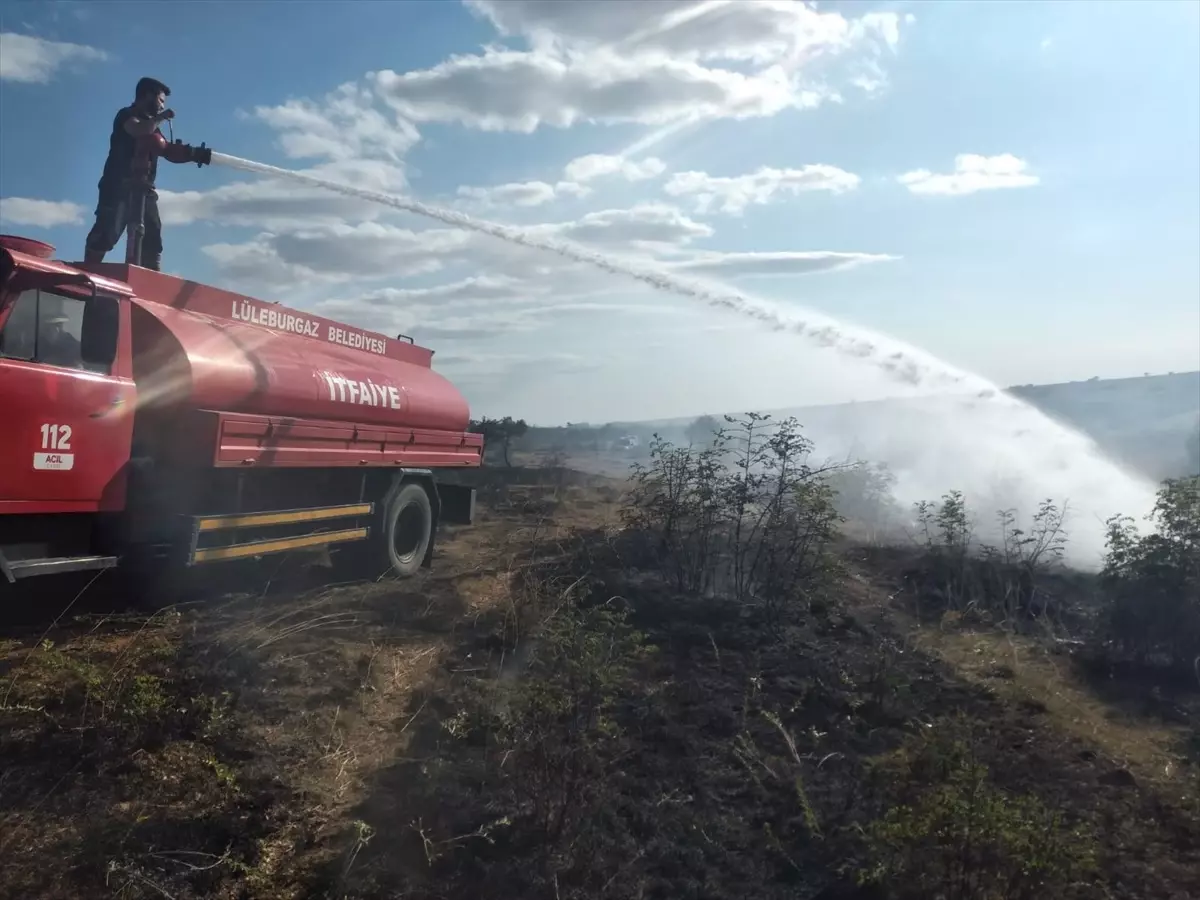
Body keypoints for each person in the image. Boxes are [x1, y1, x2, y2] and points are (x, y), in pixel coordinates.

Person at [83, 77, 176, 270]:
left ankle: (149, 285)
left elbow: (166, 150)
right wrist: (161, 117)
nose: (161, 106)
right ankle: (85, 275)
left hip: (144, 189)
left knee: (153, 237)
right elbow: (138, 130)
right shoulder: (126, 115)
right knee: (106, 233)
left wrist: (189, 153)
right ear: (147, 96)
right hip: (118, 186)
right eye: (160, 101)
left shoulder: (154, 127)